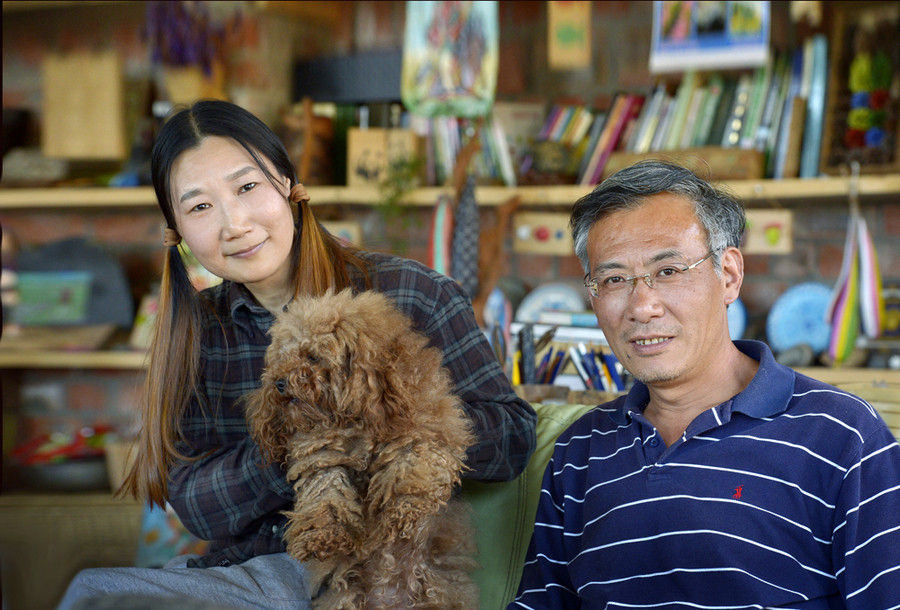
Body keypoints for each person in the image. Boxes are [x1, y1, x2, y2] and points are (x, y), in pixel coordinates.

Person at [58, 99, 536, 610]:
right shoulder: (197, 330)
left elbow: (512, 438)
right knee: (93, 593)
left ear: (285, 182)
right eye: (200, 206)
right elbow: (197, 507)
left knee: (96, 597)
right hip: (247, 570)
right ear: (175, 229)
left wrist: (391, 422)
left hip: (385, 568)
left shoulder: (412, 294)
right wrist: (300, 445)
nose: (233, 224)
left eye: (247, 187)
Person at [510, 160, 900, 609]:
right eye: (614, 279)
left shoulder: (839, 434)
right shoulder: (581, 450)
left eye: (669, 271)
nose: (642, 306)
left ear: (729, 275)